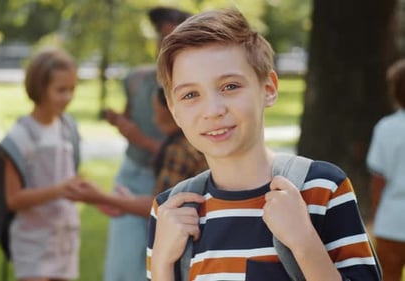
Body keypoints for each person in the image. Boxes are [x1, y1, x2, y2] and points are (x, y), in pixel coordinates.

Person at [147, 8, 381, 281]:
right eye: (190, 94)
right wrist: (162, 264)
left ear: (268, 88)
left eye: (230, 86)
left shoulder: (321, 189)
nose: (212, 110)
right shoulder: (170, 211)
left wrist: (304, 242)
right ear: (174, 110)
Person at [100, 6, 192, 281]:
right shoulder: (137, 79)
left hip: (172, 178)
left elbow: (186, 151)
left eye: (173, 36)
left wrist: (141, 140)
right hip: (134, 173)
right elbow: (131, 116)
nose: (164, 44)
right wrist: (120, 122)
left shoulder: (192, 85)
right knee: (122, 265)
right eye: (161, 37)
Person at [2, 47, 81, 281]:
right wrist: (59, 190)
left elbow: (70, 176)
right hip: (33, 242)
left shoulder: (68, 129)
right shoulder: (20, 137)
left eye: (72, 89)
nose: (68, 97)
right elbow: (13, 199)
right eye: (60, 90)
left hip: (64, 238)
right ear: (39, 88)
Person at [69, 87, 208, 218]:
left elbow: (163, 206)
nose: (154, 119)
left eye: (156, 111)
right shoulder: (195, 140)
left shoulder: (178, 150)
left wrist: (101, 198)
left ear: (171, 111)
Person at [366, 59, 405, 281]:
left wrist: (374, 216)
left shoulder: (386, 128)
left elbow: (378, 179)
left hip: (392, 220)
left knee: (389, 275)